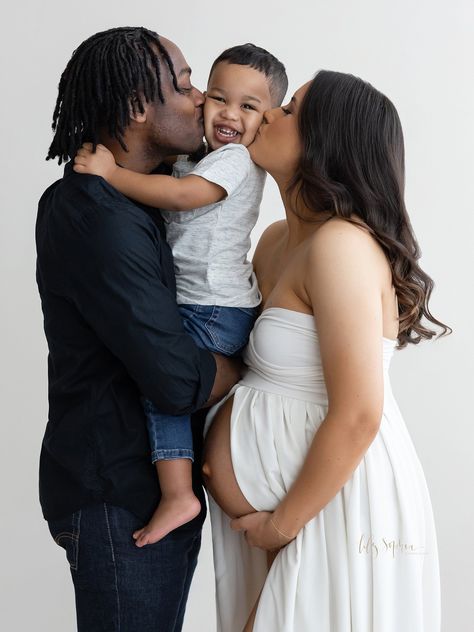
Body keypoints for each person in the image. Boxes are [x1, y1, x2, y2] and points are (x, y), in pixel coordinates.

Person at [202, 71, 450, 631]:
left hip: (332, 508)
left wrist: (281, 524)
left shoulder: (342, 245)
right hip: (288, 514)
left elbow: (360, 411)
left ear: (325, 141)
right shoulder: (274, 241)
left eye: (288, 109)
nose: (267, 113)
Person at [36, 27, 241, 632]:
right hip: (117, 497)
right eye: (182, 85)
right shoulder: (93, 213)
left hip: (141, 493)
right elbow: (177, 381)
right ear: (135, 108)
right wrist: (246, 364)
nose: (201, 96)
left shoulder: (148, 201)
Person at [73, 43, 288, 547]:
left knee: (163, 382)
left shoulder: (234, 161)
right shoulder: (200, 156)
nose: (228, 114)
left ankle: (178, 493)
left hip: (214, 307)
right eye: (216, 97)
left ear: (267, 120)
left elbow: (181, 197)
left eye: (249, 107)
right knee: (176, 383)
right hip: (205, 302)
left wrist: (111, 174)